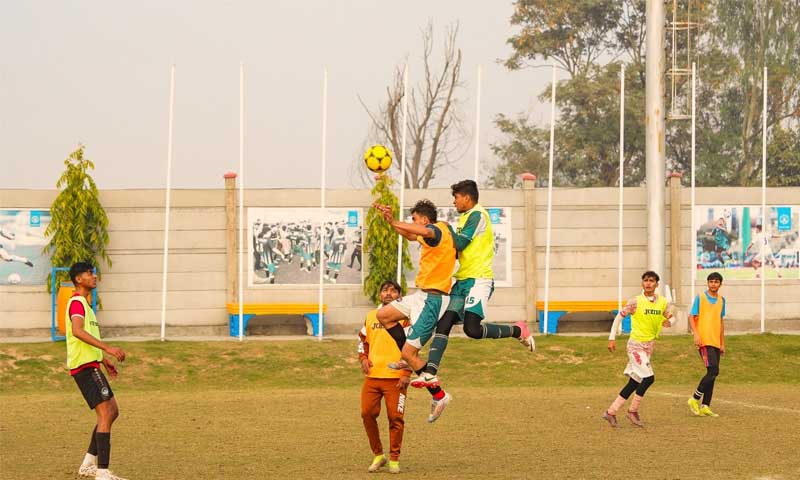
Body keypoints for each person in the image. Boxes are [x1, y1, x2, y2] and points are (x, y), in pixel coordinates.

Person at [408, 180, 534, 394]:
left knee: (472, 330)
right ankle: (430, 372)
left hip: (479, 280)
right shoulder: (466, 217)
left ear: (467, 197)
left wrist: (444, 230)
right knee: (444, 321)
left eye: (456, 197)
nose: (454, 201)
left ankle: (517, 330)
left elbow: (460, 243)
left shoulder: (477, 215)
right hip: (463, 280)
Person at [374, 199, 455, 423]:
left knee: (409, 354)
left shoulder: (437, 230)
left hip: (433, 301)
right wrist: (391, 221)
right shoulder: (429, 234)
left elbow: (418, 231)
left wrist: (398, 221)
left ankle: (440, 396)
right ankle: (407, 357)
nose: (413, 223)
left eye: (415, 218)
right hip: (420, 296)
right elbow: (411, 235)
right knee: (384, 314)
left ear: (425, 219)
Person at [65, 262, 128, 480]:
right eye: (89, 273)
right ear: (78, 279)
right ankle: (102, 472)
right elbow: (77, 331)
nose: (94, 276)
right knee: (106, 413)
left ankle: (89, 464)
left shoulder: (87, 306)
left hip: (91, 364)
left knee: (112, 411)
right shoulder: (76, 303)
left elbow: (88, 339)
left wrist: (103, 359)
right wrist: (107, 347)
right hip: (84, 367)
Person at [601, 271, 673, 428]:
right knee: (649, 378)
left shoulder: (662, 302)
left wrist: (669, 322)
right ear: (642, 283)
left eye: (651, 281)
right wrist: (612, 338)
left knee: (635, 382)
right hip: (635, 345)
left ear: (657, 284)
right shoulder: (635, 301)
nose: (648, 283)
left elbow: (670, 316)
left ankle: (610, 412)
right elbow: (619, 317)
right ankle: (632, 411)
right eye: (646, 280)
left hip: (648, 346)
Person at [359, 280, 410, 474]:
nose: (388, 293)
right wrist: (363, 357)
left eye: (393, 291)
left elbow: (412, 346)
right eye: (385, 290)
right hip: (373, 377)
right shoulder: (371, 316)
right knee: (367, 414)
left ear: (399, 296)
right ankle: (379, 455)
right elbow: (363, 341)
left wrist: (406, 372)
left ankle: (394, 459)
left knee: (395, 417)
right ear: (380, 295)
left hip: (396, 378)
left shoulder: (405, 317)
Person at [687, 272, 726, 417]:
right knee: (713, 370)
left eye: (716, 282)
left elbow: (721, 322)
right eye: (711, 281)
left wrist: (722, 343)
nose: (713, 284)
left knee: (712, 374)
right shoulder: (701, 297)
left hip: (715, 341)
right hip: (704, 341)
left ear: (720, 284)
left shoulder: (722, 300)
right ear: (707, 283)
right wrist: (696, 334)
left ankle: (705, 406)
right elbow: (691, 316)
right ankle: (694, 398)